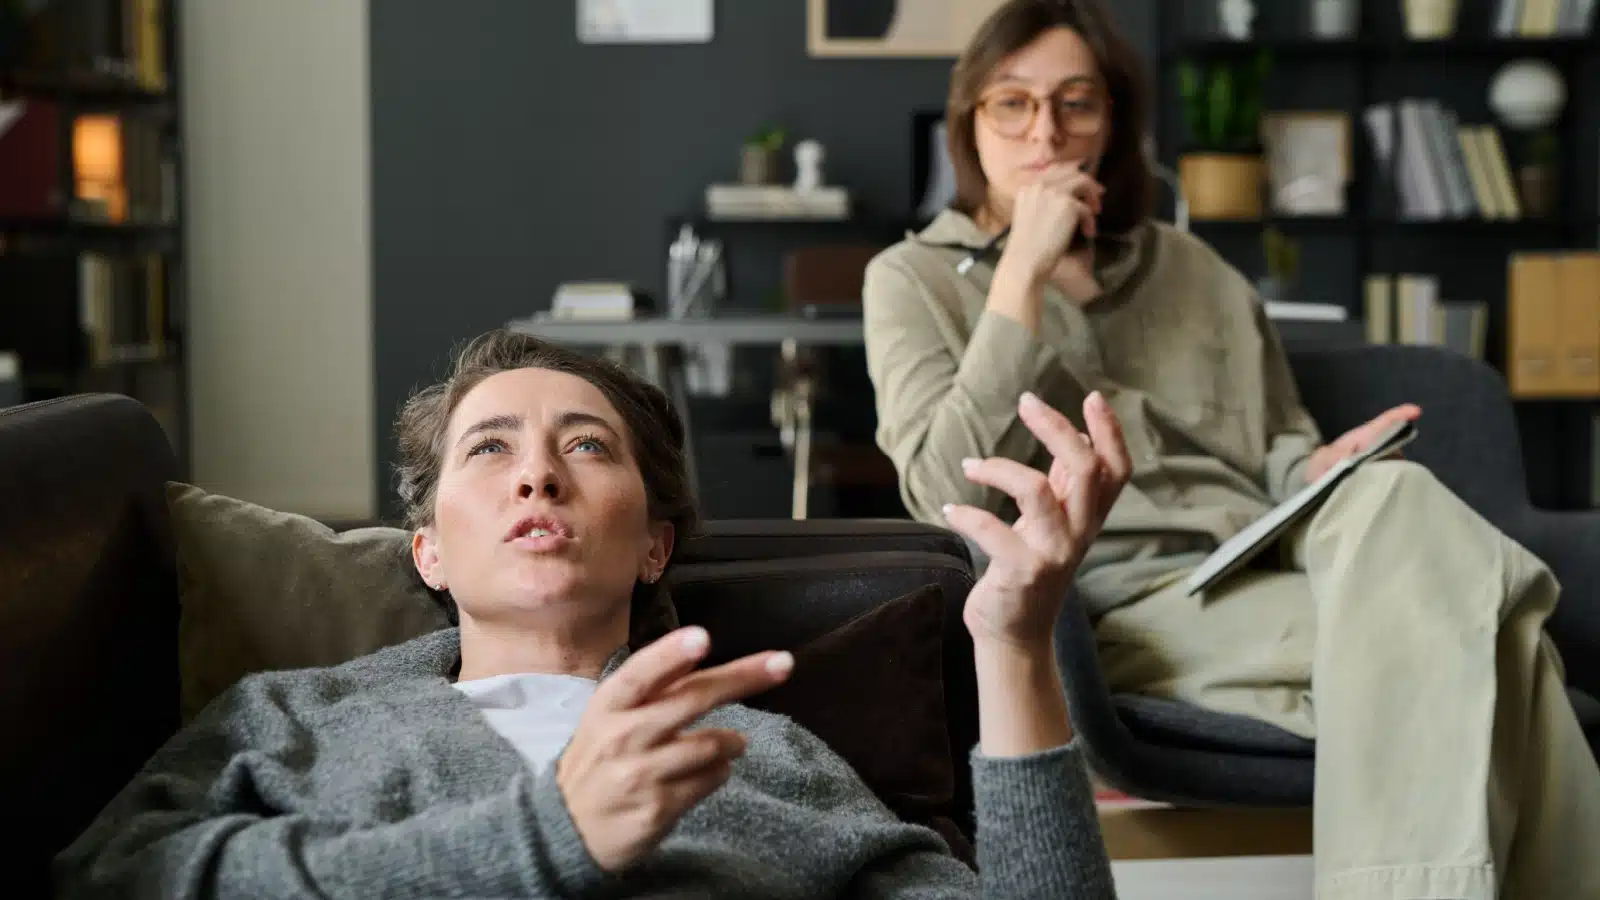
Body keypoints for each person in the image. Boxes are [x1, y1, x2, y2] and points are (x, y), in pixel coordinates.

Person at [861, 1, 1600, 898]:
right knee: (1507, 638)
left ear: (1114, 122)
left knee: (1398, 501)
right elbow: (942, 490)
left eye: (1075, 103)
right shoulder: (912, 279)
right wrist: (1019, 268)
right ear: (969, 127)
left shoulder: (1197, 271)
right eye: (1010, 104)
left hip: (1282, 563)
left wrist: (1319, 470)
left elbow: (1276, 445)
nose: (1044, 132)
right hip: (1124, 604)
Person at [53, 329, 1130, 898]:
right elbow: (113, 883)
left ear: (653, 543)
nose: (537, 477)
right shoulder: (294, 723)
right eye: (489, 449)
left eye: (585, 445)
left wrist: (1016, 640)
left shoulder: (763, 755)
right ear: (426, 548)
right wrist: (543, 841)